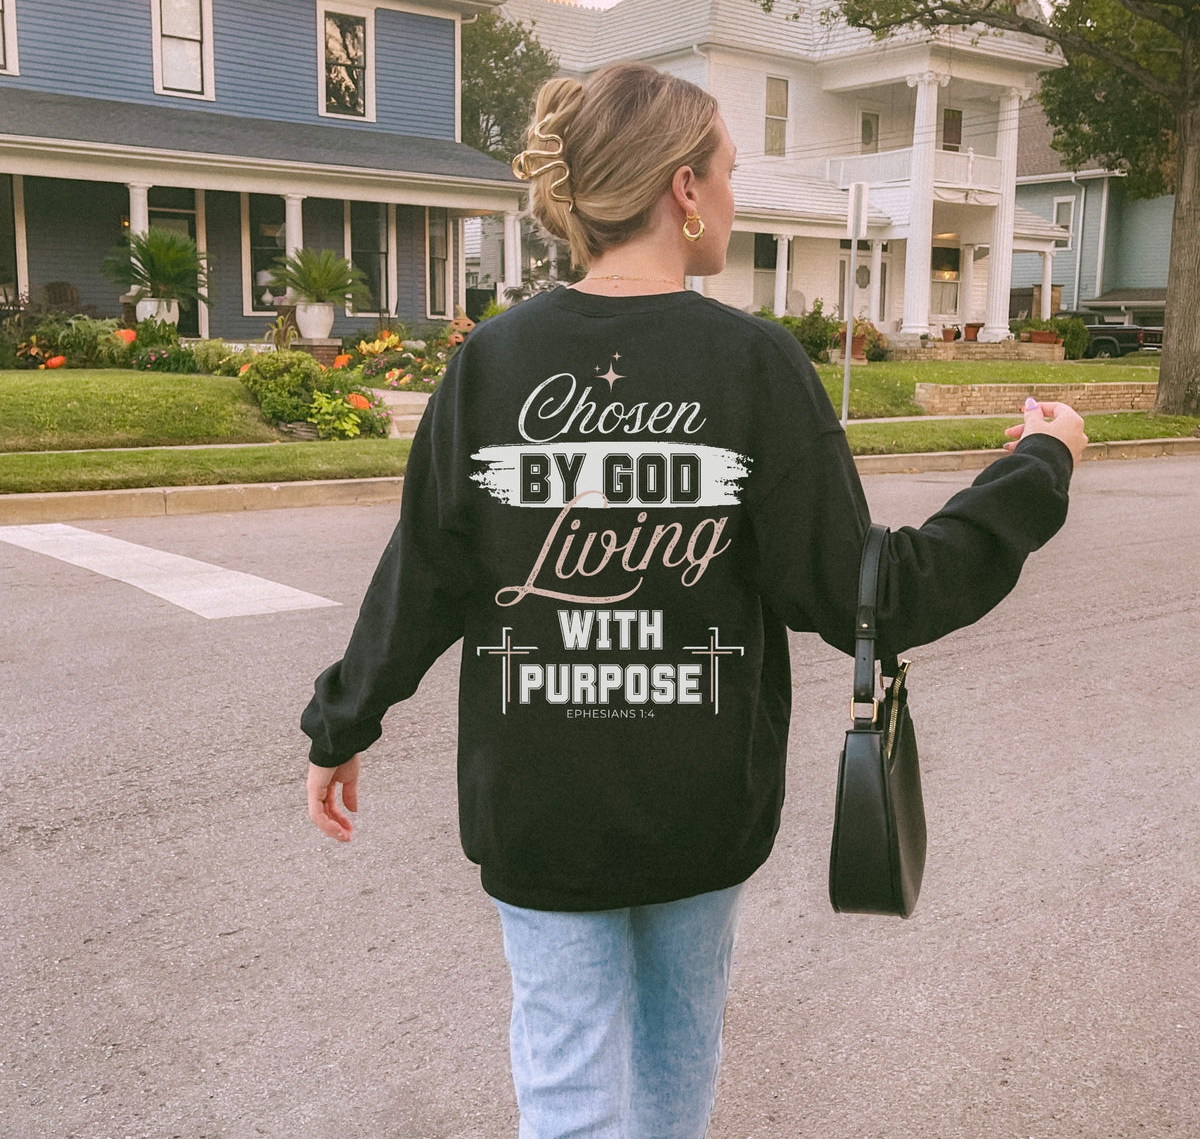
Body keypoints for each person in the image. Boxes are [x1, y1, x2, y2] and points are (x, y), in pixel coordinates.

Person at [303, 62, 1086, 1139]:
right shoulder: (753, 365)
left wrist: (342, 722)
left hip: (539, 803)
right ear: (683, 189)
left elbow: (423, 578)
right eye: (727, 170)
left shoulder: (491, 362)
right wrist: (1043, 460)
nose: (729, 193)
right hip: (701, 797)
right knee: (675, 1083)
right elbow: (875, 597)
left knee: (567, 1084)